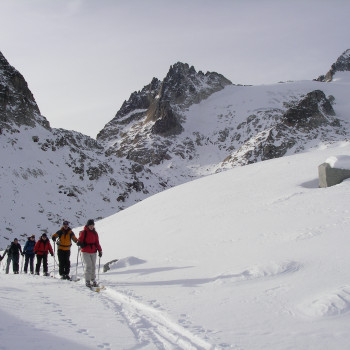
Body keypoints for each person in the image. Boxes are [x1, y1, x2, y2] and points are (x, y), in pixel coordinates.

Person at [77, 219, 102, 288]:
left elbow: (97, 242)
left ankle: (93, 279)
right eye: (90, 225)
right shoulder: (84, 232)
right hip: (85, 251)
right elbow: (79, 241)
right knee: (88, 265)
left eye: (92, 225)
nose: (91, 227)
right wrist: (80, 243)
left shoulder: (95, 233)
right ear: (87, 226)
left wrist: (100, 250)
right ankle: (87, 280)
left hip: (93, 251)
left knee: (93, 266)